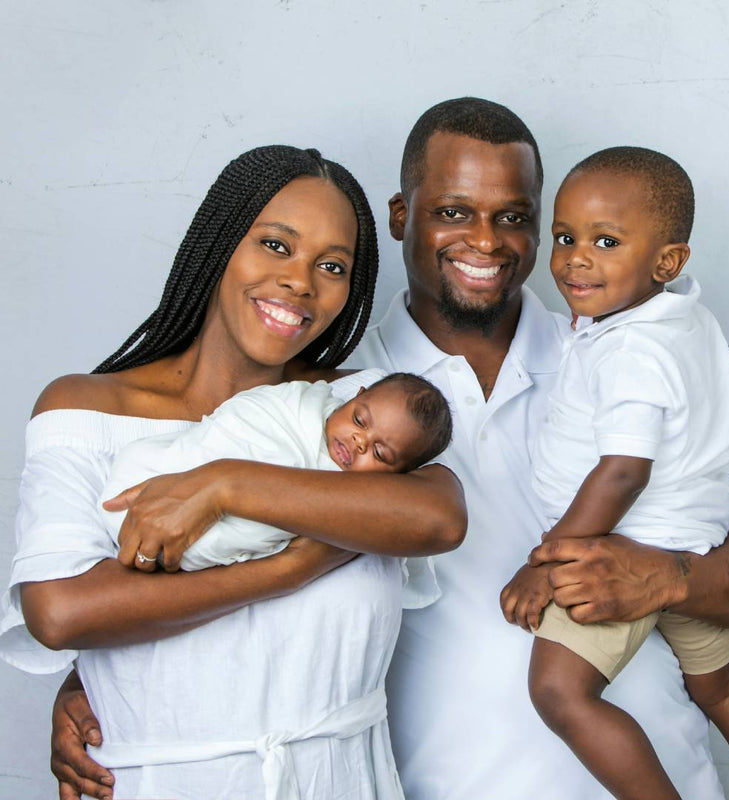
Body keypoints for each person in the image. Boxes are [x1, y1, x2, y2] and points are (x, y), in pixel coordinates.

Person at [48, 100, 729, 799]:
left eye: (514, 218)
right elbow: (235, 575)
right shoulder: (336, 408)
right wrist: (98, 680)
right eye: (453, 212)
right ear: (401, 217)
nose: (486, 241)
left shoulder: (622, 360)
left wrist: (672, 579)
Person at [0, 144, 466, 800]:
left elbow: (438, 517)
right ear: (220, 242)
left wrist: (226, 484)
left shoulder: (356, 412)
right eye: (276, 245)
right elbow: (61, 611)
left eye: (332, 266)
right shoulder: (86, 411)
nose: (301, 282)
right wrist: (287, 570)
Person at [500, 146, 729, 799]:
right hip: (692, 539)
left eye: (606, 241)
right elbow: (724, 376)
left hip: (625, 549)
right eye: (565, 237)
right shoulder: (685, 320)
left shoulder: (629, 349)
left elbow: (622, 474)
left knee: (560, 691)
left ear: (667, 262)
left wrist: (547, 562)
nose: (576, 258)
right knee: (724, 686)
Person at [101, 372, 452, 572]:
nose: (358, 441)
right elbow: (243, 419)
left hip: (199, 538)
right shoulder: (300, 403)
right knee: (147, 457)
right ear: (354, 396)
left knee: (252, 529)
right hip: (171, 468)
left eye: (379, 453)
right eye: (359, 420)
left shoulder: (355, 496)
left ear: (398, 477)